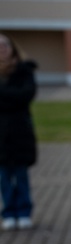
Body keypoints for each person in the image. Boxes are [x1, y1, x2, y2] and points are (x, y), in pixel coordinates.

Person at [0, 33, 37, 230]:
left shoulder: (24, 71)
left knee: (21, 175)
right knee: (4, 177)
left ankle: (24, 211)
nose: (2, 49)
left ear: (12, 48)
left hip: (20, 131)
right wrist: (12, 98)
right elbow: (17, 97)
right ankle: (8, 212)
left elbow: (26, 95)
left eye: (5, 45)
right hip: (1, 135)